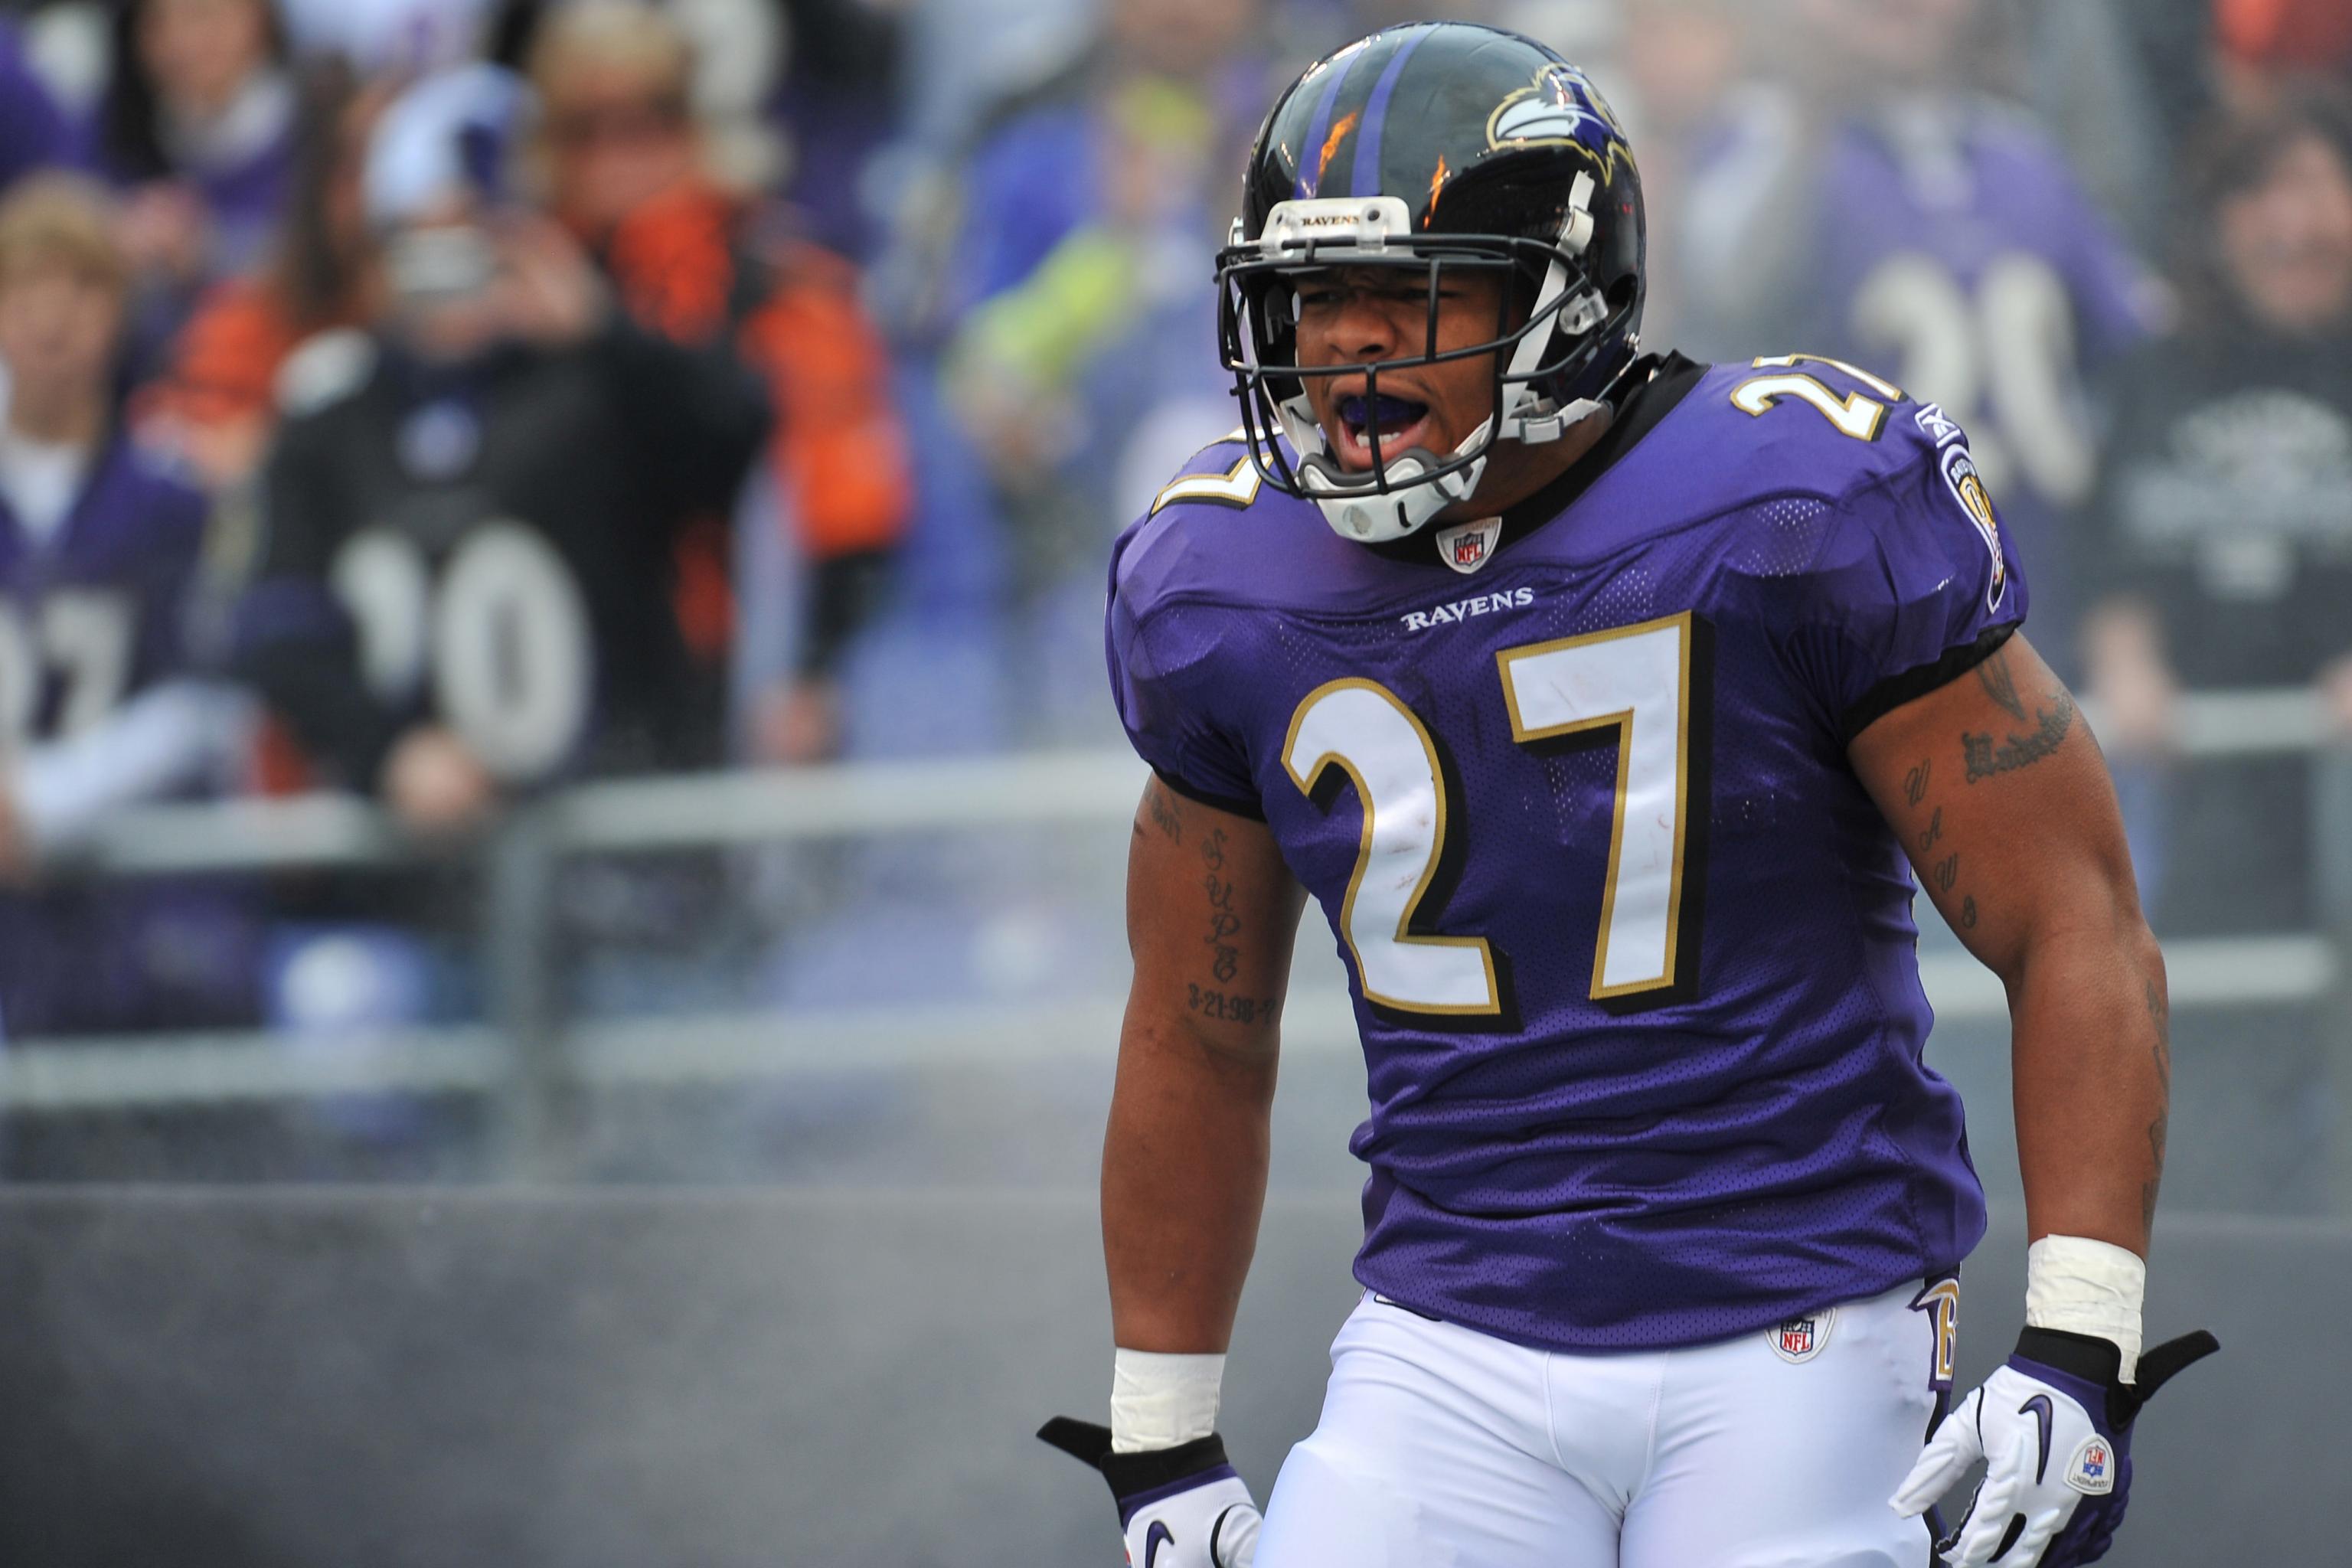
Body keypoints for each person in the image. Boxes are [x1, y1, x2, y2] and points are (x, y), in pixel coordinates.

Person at [1039, 23, 2214, 1568]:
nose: (1349, 352)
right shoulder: (1220, 580)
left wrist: (2080, 1334)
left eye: (1416, 292)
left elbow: (2077, 920)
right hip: (1448, 1332)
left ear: (1561, 291)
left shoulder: (1795, 500)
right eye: (1318, 301)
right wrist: (1161, 1435)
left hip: (1799, 1305)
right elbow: (1196, 1022)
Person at [1674, 0, 2161, 662]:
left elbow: (2142, 347)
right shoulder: (1763, 142)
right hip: (1856, 605)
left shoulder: (2026, 151)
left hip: (2045, 584)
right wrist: (1810, 116)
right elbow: (1721, 293)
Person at [523, 0, 910, 765]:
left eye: (649, 118)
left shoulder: (776, 283)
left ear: (696, 123)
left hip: (717, 681)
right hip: (550, 676)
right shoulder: (513, 286)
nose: (616, 155)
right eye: (585, 127)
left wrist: (813, 670)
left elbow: (846, 503)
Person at [2077, 87, 2352, 936]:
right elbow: (2104, 550)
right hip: (2205, 793)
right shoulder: (2159, 373)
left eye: (2315, 187)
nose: (2291, 224)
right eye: (2257, 193)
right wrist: (2125, 661)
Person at [0, 174, 256, 1036]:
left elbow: (206, 700)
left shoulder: (172, 497)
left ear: (121, 311)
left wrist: (45, 802)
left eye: (82, 286)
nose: (52, 316)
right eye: (24, 288)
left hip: (135, 890)